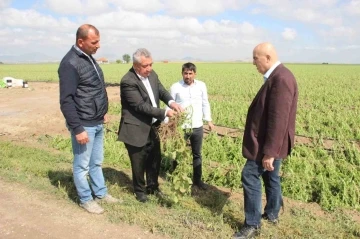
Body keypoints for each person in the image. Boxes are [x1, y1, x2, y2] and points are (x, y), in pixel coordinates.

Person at [233, 42, 298, 239]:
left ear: (267, 58)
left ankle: (252, 224)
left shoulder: (281, 79)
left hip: (267, 144)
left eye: (255, 58)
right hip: (272, 142)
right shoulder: (279, 76)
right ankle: (272, 214)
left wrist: (270, 152)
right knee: (271, 177)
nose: (253, 62)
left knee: (250, 175)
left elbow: (278, 120)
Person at [58, 24, 120, 214]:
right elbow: (66, 100)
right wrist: (77, 128)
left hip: (97, 120)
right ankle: (86, 199)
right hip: (84, 123)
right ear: (81, 42)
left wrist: (102, 111)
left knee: (96, 162)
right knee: (82, 165)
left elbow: (93, 89)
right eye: (94, 42)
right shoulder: (70, 63)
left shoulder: (88, 58)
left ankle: (100, 193)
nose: (98, 45)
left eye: (98, 41)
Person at [117, 48, 182, 203]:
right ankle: (140, 191)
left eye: (151, 64)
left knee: (154, 158)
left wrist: (172, 102)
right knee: (138, 162)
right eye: (146, 66)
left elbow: (161, 90)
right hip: (136, 128)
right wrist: (165, 112)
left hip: (153, 127)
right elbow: (140, 106)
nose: (149, 68)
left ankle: (153, 186)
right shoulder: (128, 81)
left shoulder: (152, 75)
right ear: (136, 65)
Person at [168, 62, 214, 190]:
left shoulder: (201, 86)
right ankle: (176, 178)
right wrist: (168, 124)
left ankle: (197, 181)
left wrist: (208, 120)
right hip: (181, 127)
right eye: (185, 73)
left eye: (190, 73)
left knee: (197, 154)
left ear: (194, 74)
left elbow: (205, 103)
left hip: (197, 125)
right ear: (182, 73)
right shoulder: (175, 87)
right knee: (178, 153)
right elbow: (169, 105)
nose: (187, 76)